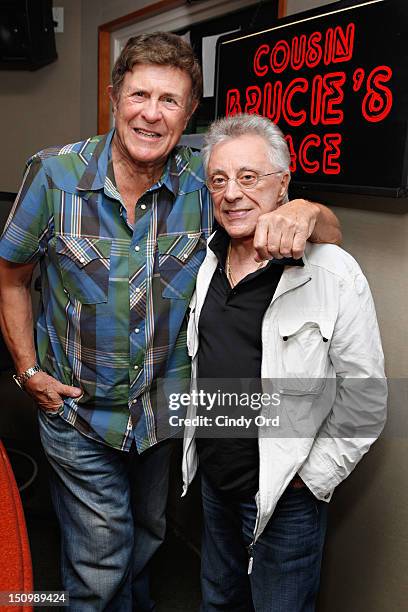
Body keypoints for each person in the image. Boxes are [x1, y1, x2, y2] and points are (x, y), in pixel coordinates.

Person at [0, 33, 340, 611]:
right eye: (139, 94)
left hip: (162, 419)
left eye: (171, 101)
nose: (151, 114)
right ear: (114, 97)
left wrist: (305, 209)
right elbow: (11, 277)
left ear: (189, 115)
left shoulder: (208, 177)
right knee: (101, 560)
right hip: (77, 414)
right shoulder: (53, 175)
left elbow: (320, 229)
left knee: (145, 544)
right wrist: (27, 370)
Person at [181, 114, 387, 612]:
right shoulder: (205, 261)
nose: (232, 193)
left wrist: (309, 478)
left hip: (283, 498)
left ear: (283, 187)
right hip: (215, 482)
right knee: (219, 600)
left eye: (249, 178)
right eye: (219, 180)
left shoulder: (330, 270)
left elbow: (365, 397)